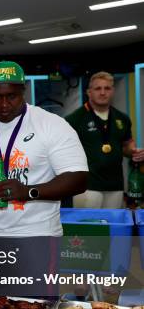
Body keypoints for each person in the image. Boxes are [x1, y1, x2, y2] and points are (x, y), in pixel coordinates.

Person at [0, 61, 88, 297]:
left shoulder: (51, 125)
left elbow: (78, 179)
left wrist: (30, 191)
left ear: (23, 91)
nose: (4, 104)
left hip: (36, 235)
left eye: (12, 96)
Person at [65, 71, 144, 208]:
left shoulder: (122, 118)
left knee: (113, 227)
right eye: (98, 88)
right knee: (89, 229)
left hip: (115, 185)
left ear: (112, 91)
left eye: (107, 88)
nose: (103, 92)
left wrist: (134, 152)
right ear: (89, 92)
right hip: (87, 186)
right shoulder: (75, 119)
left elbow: (127, 145)